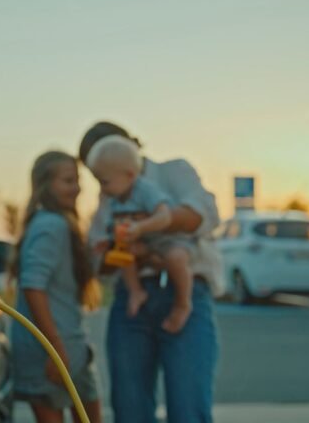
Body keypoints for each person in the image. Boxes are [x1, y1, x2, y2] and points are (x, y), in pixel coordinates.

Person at [80, 121, 222, 423]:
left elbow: (204, 215)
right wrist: (126, 248)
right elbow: (99, 260)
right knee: (129, 408)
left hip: (184, 291)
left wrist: (142, 228)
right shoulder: (109, 196)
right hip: (133, 300)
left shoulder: (174, 171)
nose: (102, 185)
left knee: (188, 408)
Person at [9, 151, 102, 423]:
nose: (77, 188)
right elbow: (32, 286)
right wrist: (55, 348)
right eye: (68, 181)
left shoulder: (60, 224)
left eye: (77, 180)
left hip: (73, 347)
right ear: (45, 185)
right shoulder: (51, 225)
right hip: (51, 351)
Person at [86, 135, 195, 333]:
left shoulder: (146, 189)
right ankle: (136, 291)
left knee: (176, 258)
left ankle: (182, 303)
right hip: (144, 243)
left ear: (129, 175)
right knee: (125, 254)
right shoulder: (115, 197)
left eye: (105, 182)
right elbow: (113, 228)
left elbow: (165, 217)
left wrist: (140, 227)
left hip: (168, 240)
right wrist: (107, 242)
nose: (102, 189)